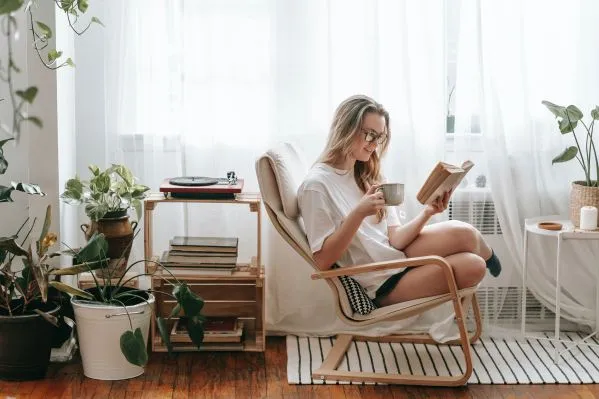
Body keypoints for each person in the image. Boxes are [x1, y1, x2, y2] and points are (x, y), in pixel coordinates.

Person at [297, 94, 501, 308]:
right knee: (474, 266)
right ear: (346, 129)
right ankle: (486, 260)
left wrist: (428, 213)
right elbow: (322, 262)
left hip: (396, 257)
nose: (375, 145)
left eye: (380, 137)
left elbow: (394, 238)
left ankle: (491, 257)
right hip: (380, 282)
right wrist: (358, 213)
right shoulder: (317, 186)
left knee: (466, 233)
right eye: (370, 135)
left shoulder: (366, 173)